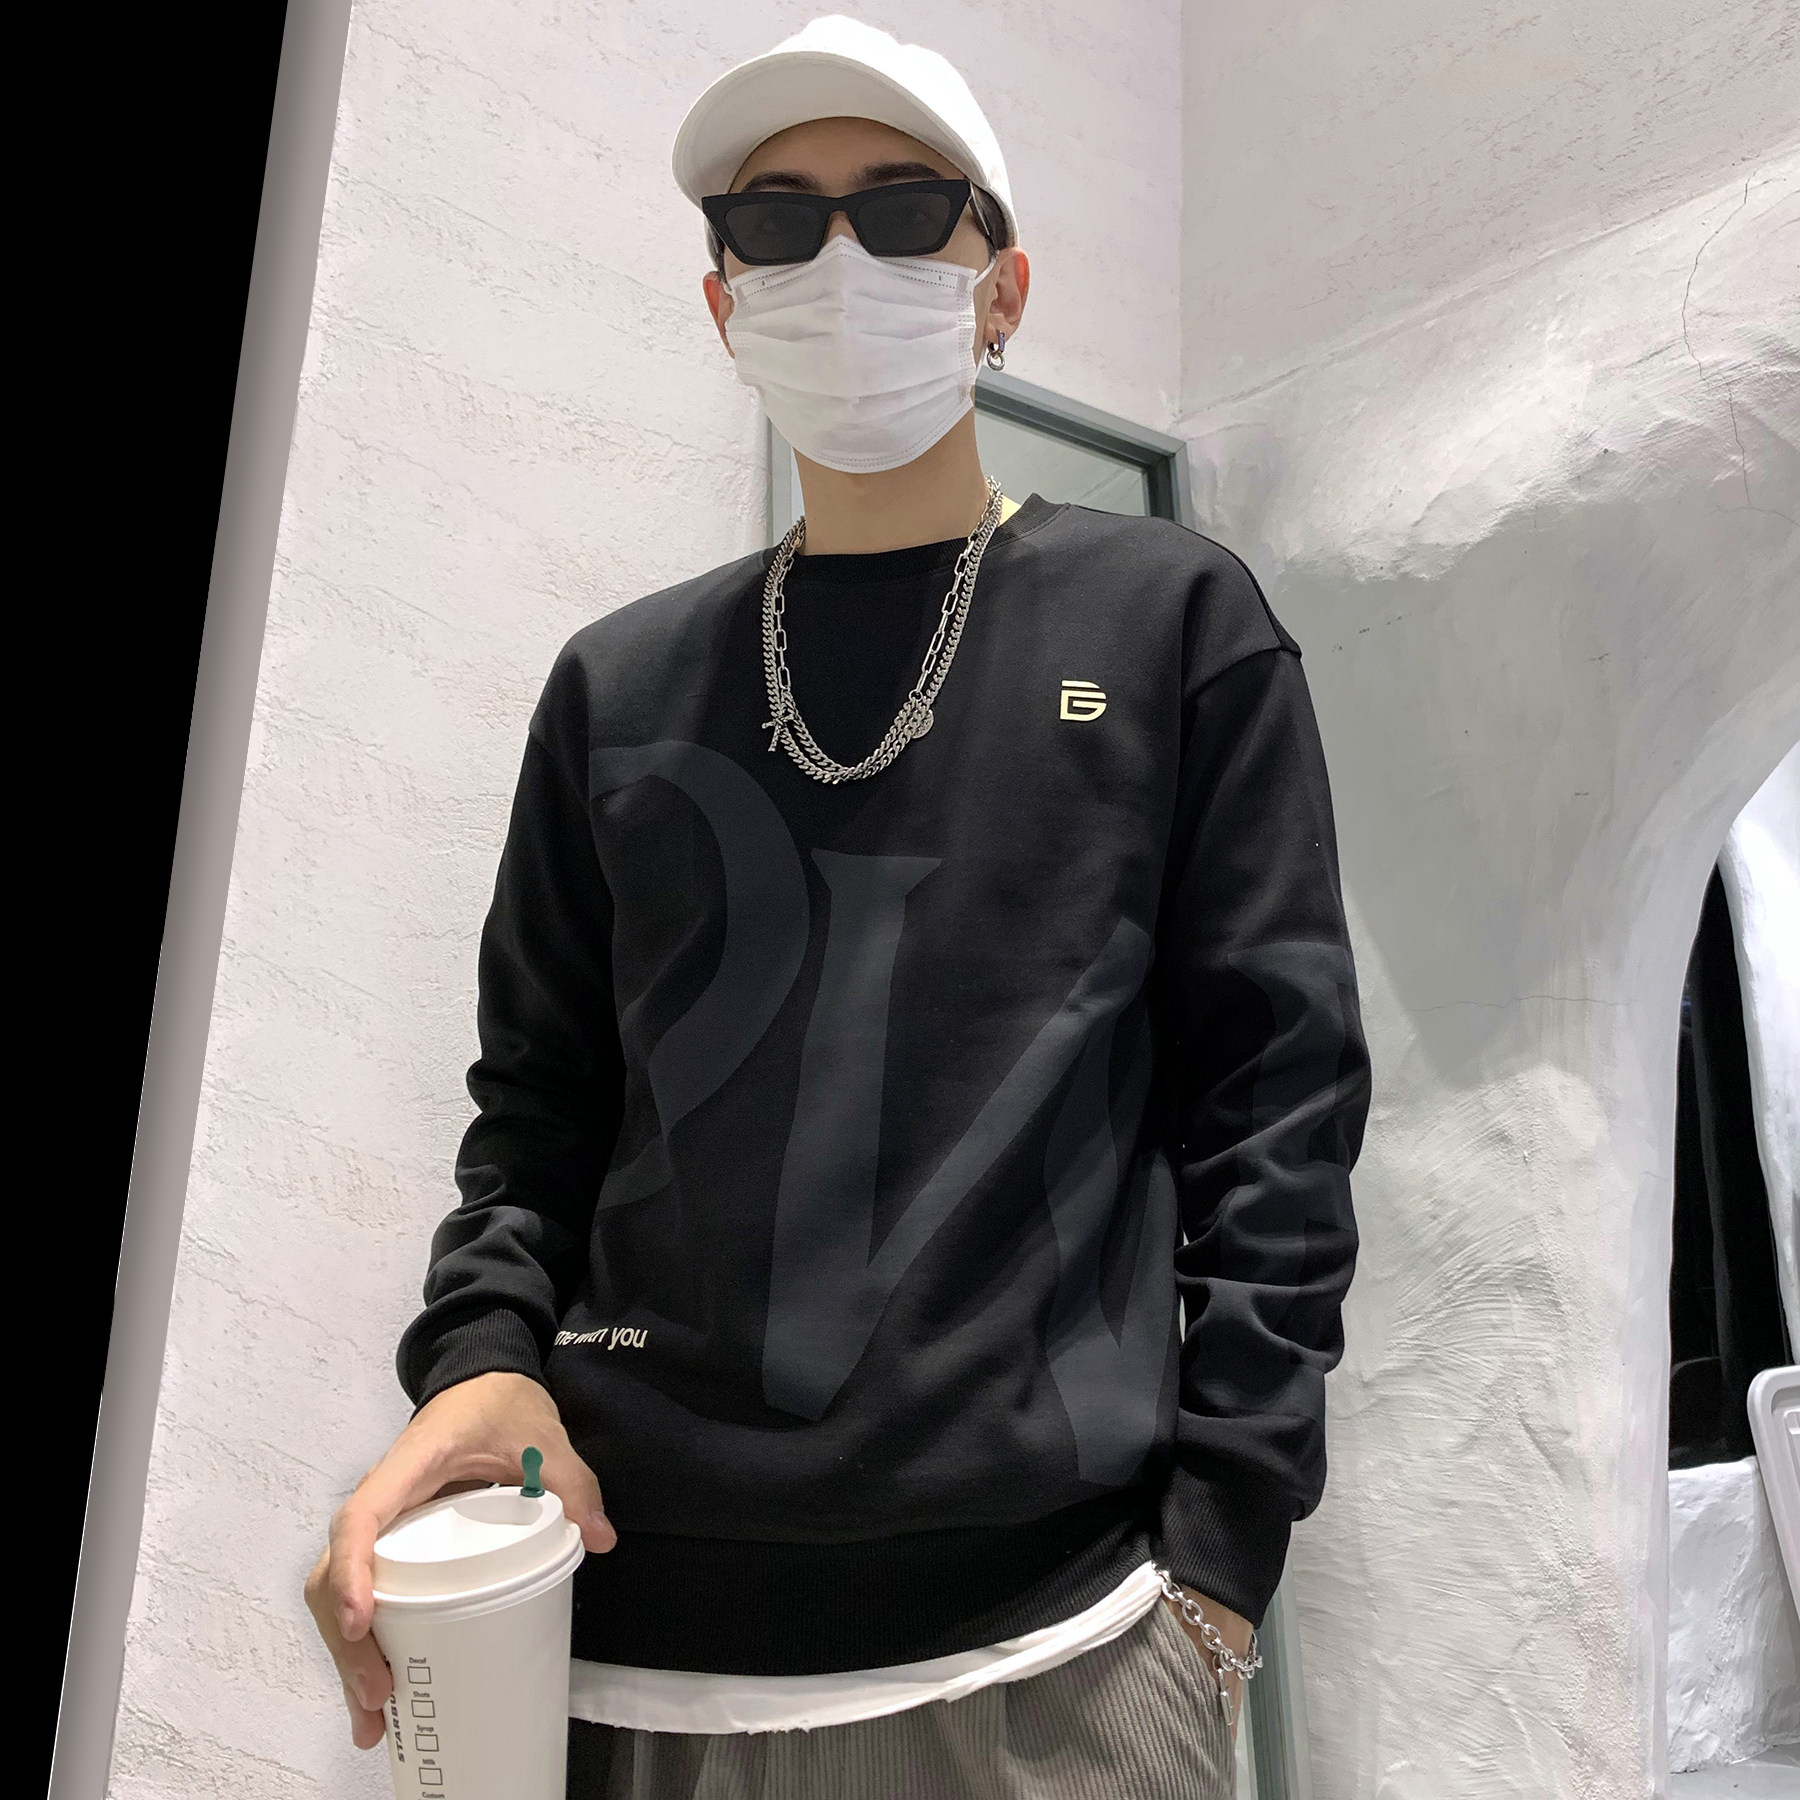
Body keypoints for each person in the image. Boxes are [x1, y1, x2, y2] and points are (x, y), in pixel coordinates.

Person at [305, 16, 1371, 1798]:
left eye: (901, 210)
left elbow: (1279, 1108)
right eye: (777, 224)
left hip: (1060, 1654)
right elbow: (539, 1112)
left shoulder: (1174, 625)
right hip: (629, 1649)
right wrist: (479, 1361)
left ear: (1000, 284)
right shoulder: (615, 684)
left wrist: (1223, 1562)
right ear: (723, 300)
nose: (841, 260)